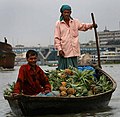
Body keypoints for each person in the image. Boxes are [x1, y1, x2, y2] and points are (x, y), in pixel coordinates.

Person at [54, 5, 97, 70]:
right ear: (62, 13)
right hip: (64, 50)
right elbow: (57, 38)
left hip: (74, 50)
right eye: (65, 12)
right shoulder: (59, 23)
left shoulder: (75, 22)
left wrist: (92, 25)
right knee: (63, 70)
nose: (66, 14)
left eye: (68, 12)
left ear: (70, 13)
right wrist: (60, 49)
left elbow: (83, 26)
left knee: (74, 69)